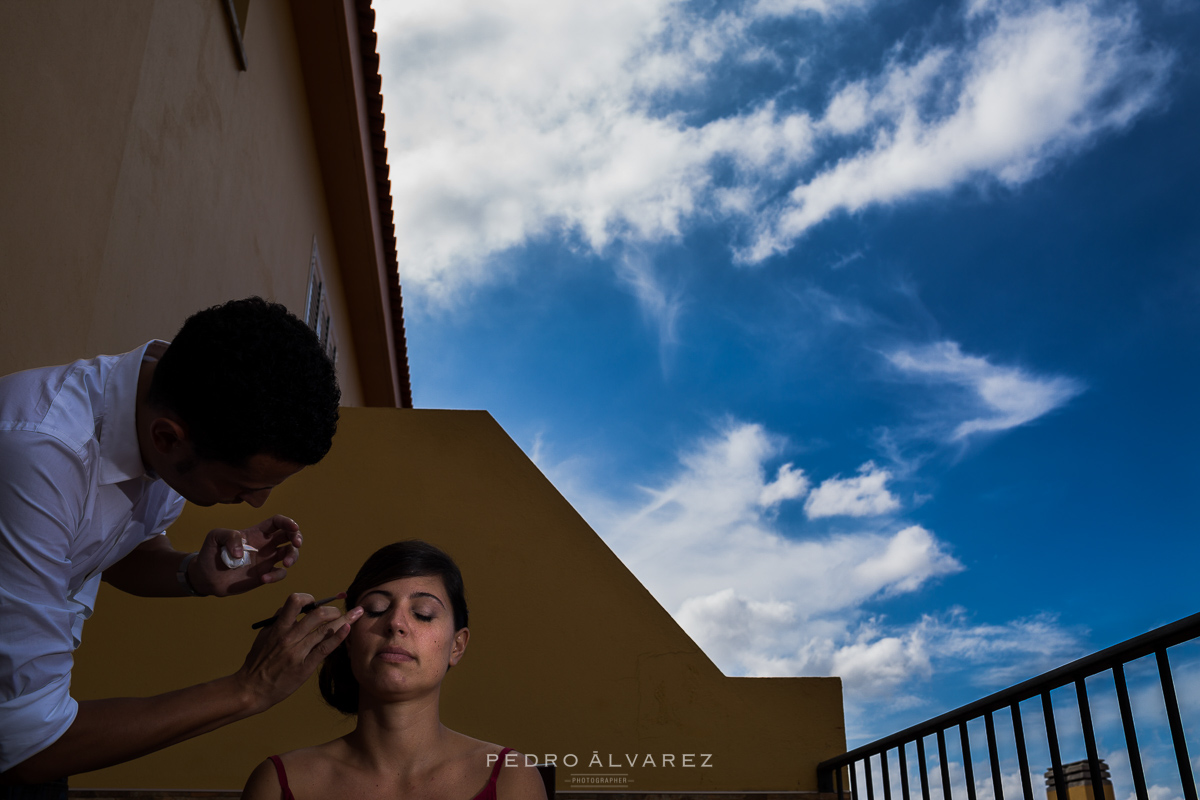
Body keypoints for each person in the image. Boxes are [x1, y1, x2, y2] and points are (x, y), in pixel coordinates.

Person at [0, 298, 363, 792]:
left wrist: (191, 572)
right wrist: (249, 689)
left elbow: (111, 551)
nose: (256, 504)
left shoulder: (170, 405)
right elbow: (25, 748)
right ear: (168, 439)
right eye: (242, 483)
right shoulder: (40, 459)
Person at [241, 541, 548, 800]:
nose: (396, 623)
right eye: (375, 608)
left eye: (423, 614)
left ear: (457, 646)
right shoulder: (278, 782)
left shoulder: (510, 778)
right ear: (347, 638)